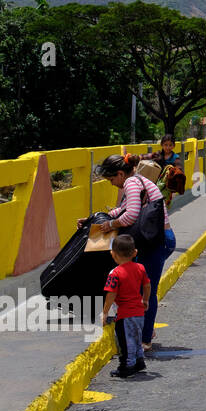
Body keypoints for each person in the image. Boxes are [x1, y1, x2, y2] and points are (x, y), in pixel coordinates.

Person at [80, 154, 175, 353]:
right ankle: (145, 330)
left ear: (121, 173)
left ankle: (146, 338)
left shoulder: (131, 183)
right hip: (152, 240)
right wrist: (93, 221)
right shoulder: (136, 182)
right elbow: (120, 210)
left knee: (147, 287)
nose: (113, 184)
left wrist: (109, 225)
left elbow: (130, 215)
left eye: (112, 179)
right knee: (140, 285)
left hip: (157, 241)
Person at [102, 233, 150, 378]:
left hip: (125, 315)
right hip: (139, 312)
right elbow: (147, 285)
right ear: (134, 252)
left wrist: (105, 312)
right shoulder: (140, 268)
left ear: (113, 254)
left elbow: (111, 294)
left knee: (124, 342)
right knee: (136, 337)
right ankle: (139, 361)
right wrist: (145, 300)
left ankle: (126, 366)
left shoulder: (115, 273)